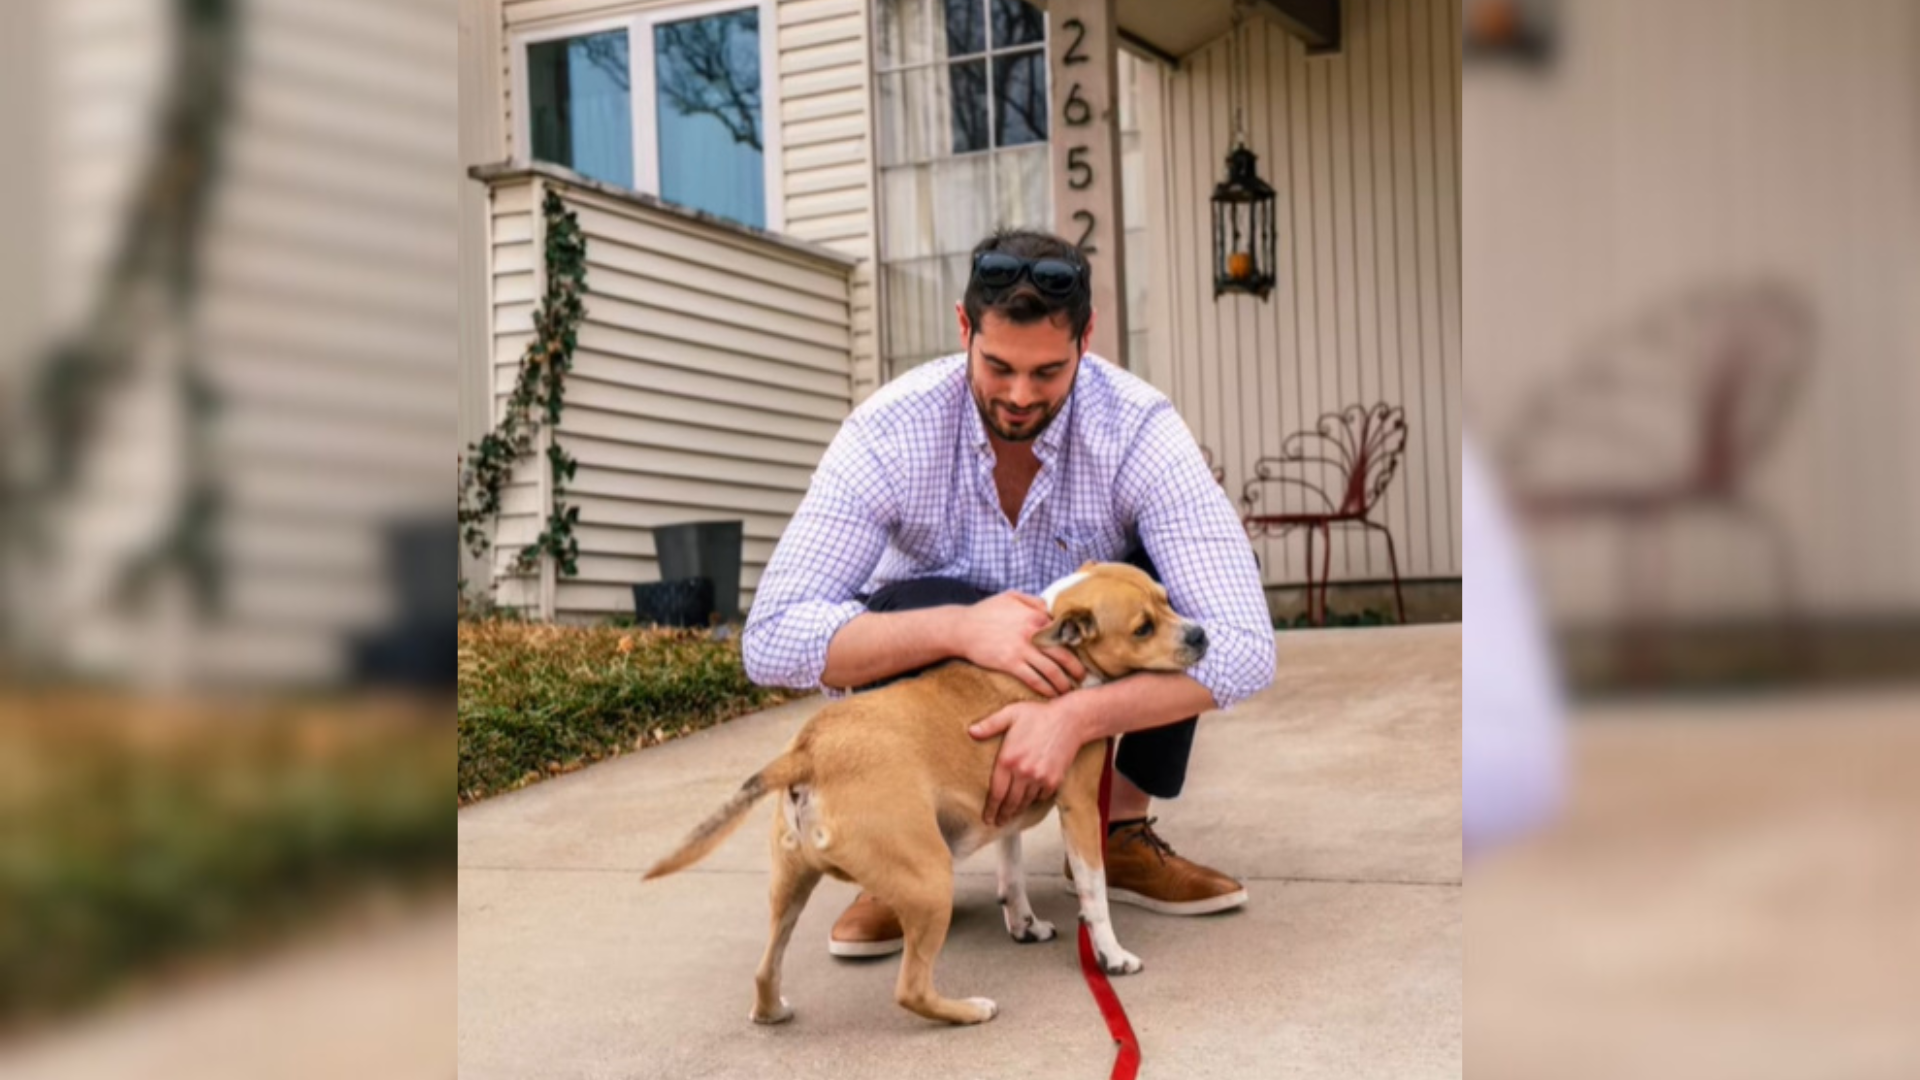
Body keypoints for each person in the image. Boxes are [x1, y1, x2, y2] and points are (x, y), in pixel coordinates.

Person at [742, 228, 1276, 958]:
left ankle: (1116, 830)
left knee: (1166, 600)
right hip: (939, 700)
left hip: (1090, 661)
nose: (1020, 396)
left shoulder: (1139, 427)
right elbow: (771, 636)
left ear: (1086, 341)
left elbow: (1245, 645)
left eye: (1049, 373)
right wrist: (961, 628)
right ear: (964, 329)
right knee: (914, 601)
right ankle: (896, 849)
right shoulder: (888, 432)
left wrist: (1076, 719)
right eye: (997, 366)